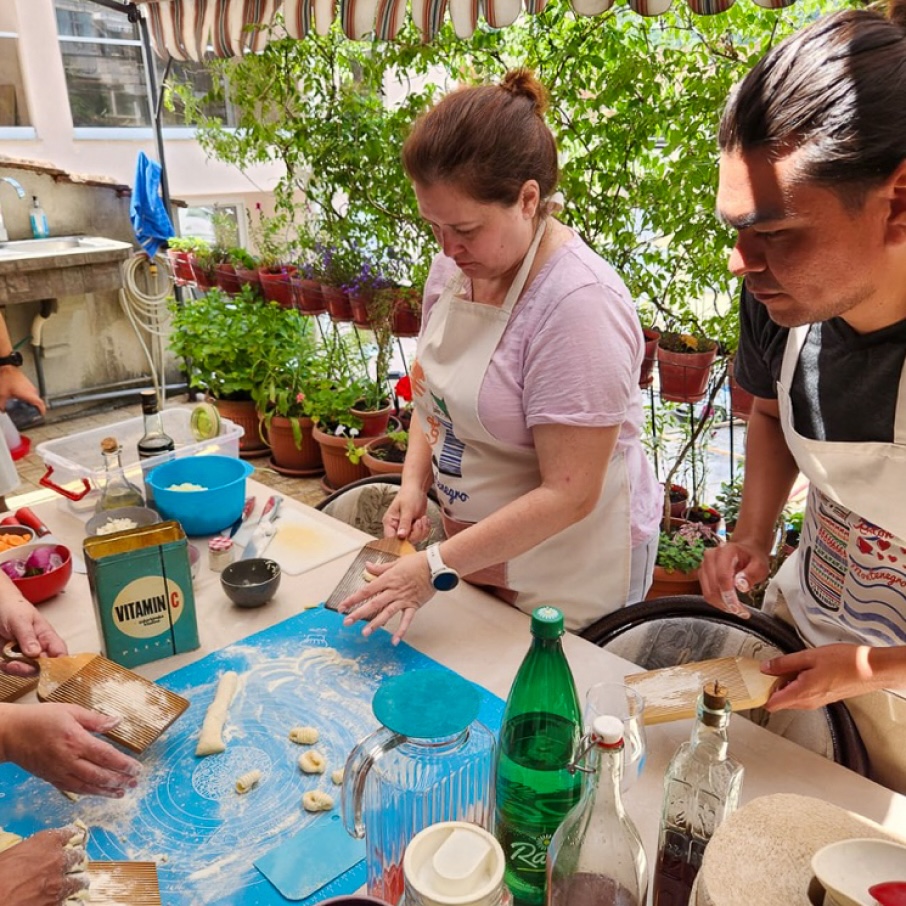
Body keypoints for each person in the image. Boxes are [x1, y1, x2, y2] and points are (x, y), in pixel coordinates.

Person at [339, 69, 661, 641]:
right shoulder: (457, 267)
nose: (446, 247)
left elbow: (570, 492)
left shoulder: (578, 306)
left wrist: (434, 565)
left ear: (528, 199)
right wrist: (414, 483)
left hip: (569, 562)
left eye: (464, 227)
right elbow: (432, 400)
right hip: (477, 551)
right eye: (433, 225)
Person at [700, 1, 906, 793]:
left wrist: (870, 667)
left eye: (778, 232)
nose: (741, 261)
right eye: (736, 229)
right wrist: (754, 535)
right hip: (805, 635)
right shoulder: (779, 297)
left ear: (899, 202)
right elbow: (771, 412)